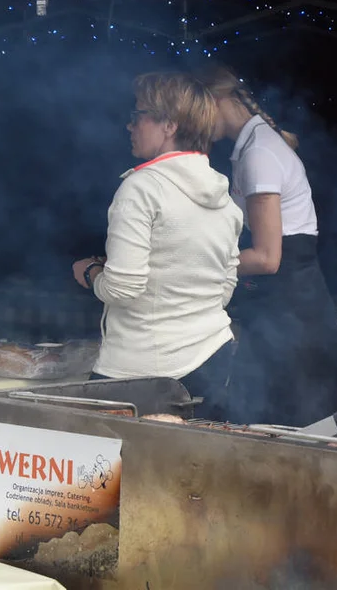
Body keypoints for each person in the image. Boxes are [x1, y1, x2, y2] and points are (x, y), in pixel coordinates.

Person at [72, 71, 243, 421]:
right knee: (192, 470)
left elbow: (124, 287)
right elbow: (223, 290)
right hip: (213, 357)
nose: (129, 126)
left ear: (169, 125)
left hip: (139, 374)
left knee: (102, 474)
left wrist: (90, 272)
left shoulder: (141, 188)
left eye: (138, 116)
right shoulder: (227, 201)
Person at [198, 65, 337, 427]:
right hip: (282, 316)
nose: (193, 122)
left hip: (295, 324)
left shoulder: (259, 154)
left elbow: (266, 257)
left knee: (295, 440)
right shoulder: (252, 146)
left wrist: (196, 265)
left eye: (197, 108)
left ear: (217, 101)